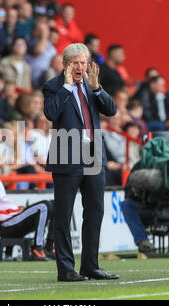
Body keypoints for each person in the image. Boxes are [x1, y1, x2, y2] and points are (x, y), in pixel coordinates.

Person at [42, 42, 119, 281]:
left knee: (95, 211)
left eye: (83, 62)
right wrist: (66, 87)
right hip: (67, 157)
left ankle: (90, 266)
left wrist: (97, 89)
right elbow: (50, 114)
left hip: (94, 155)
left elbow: (112, 110)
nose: (79, 67)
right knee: (64, 215)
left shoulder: (91, 84)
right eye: (74, 62)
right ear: (65, 64)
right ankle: (65, 269)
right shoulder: (54, 86)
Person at [0, 147, 55, 261]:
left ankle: (50, 247)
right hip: (3, 225)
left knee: (54, 205)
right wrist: (17, 211)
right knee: (44, 206)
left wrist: (18, 209)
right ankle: (37, 249)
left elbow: (4, 206)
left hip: (11, 219)